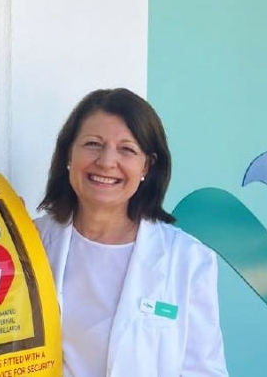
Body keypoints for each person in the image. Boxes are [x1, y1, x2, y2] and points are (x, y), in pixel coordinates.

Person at [34, 88, 227, 377]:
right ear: (68, 154)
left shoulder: (188, 259)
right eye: (92, 144)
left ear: (146, 166)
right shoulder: (29, 242)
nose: (106, 161)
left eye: (127, 149)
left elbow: (204, 370)